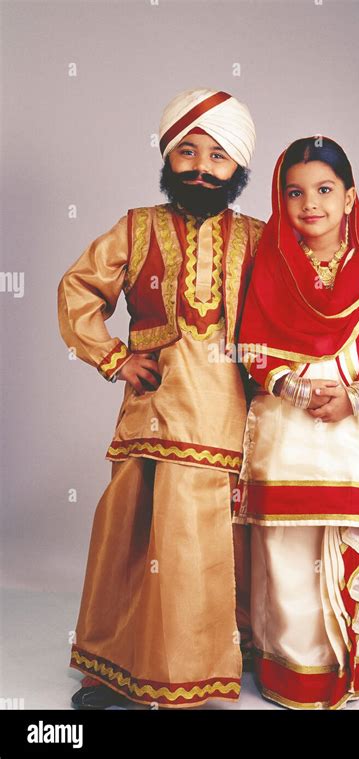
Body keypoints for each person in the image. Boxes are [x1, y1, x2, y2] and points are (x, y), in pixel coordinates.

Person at [57, 88, 265, 709]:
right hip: (155, 413)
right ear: (167, 158)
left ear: (239, 170)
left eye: (218, 157)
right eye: (186, 152)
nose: (201, 167)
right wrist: (115, 359)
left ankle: (221, 657)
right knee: (139, 536)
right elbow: (78, 289)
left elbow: (296, 317)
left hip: (231, 417)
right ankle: (125, 661)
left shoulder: (259, 238)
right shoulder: (136, 227)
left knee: (209, 543)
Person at [234, 135, 359, 710]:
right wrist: (291, 385)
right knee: (282, 558)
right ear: (280, 202)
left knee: (340, 548)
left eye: (325, 190)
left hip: (345, 435)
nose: (311, 203)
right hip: (284, 433)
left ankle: (342, 669)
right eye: (295, 192)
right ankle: (284, 672)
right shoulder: (268, 267)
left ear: (350, 198)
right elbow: (250, 346)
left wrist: (356, 397)